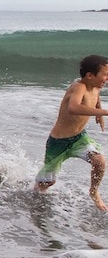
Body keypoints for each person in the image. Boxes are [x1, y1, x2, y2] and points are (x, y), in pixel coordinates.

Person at [35, 54, 108, 211]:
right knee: (47, 182)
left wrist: (98, 113)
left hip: (79, 138)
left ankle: (94, 192)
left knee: (99, 161)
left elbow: (95, 98)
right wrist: (104, 112)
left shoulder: (95, 87)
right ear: (89, 75)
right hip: (58, 142)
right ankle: (34, 198)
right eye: (105, 75)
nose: (107, 79)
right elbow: (73, 108)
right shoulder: (79, 87)